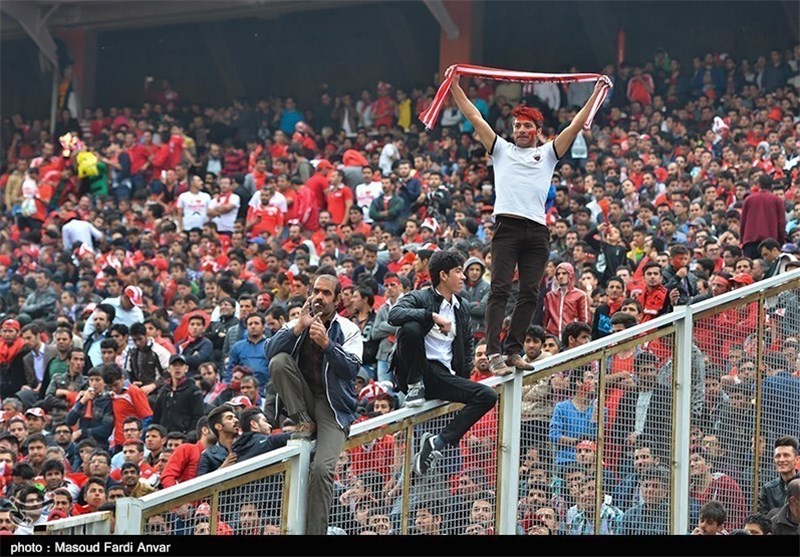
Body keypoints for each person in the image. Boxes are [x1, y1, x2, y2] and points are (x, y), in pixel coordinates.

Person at [450, 71, 611, 374]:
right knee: (499, 290)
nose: (522, 130)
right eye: (518, 125)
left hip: (537, 230)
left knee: (529, 293)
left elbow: (576, 124)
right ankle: (495, 353)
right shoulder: (500, 148)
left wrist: (596, 92)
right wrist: (455, 87)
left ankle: (513, 351)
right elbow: (473, 116)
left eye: (527, 126)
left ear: (538, 130)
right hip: (507, 228)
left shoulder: (548, 152)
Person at [266, 274, 363, 535]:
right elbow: (270, 353)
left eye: (326, 293)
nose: (320, 297)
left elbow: (352, 369)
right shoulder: (298, 322)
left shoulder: (348, 329)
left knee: (321, 470)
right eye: (316, 291)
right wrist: (299, 327)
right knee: (279, 361)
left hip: (333, 408)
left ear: (337, 299)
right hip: (305, 402)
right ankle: (302, 420)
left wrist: (327, 344)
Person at [387, 249, 498, 474]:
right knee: (410, 326)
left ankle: (437, 443)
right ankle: (415, 384)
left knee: (487, 395)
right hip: (415, 370)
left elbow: (467, 345)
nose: (464, 276)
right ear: (443, 275)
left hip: (443, 375)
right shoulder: (421, 296)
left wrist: (462, 381)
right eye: (458, 271)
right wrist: (431, 316)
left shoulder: (462, 306)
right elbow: (394, 315)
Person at [152, 354, 205, 435]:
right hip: (165, 438)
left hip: (183, 437)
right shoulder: (163, 391)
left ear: (186, 368)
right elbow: (157, 416)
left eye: (181, 365)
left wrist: (189, 435)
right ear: (169, 369)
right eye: (174, 365)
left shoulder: (194, 391)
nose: (177, 368)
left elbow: (198, 416)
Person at [759, 436, 800, 515]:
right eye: (778, 456)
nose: (781, 460)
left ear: (797, 460)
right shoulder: (768, 489)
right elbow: (763, 522)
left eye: (786, 455)